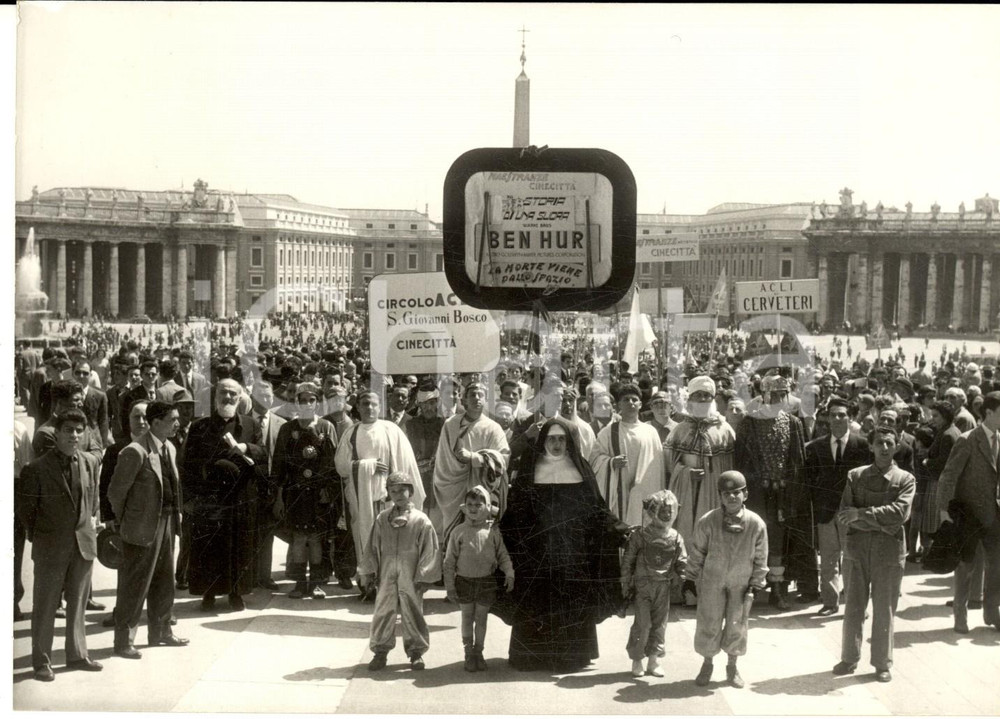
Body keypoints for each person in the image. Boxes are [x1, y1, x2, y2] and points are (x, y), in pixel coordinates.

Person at [496, 418, 630, 672]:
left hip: (573, 555)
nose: (557, 444)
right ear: (543, 440)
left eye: (561, 439)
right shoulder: (529, 469)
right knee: (536, 601)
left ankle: (573, 656)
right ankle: (532, 656)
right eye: (551, 439)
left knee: (572, 601)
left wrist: (620, 529)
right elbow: (516, 513)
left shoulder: (581, 469)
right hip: (538, 555)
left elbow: (597, 510)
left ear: (569, 442)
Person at [16, 409, 103, 681]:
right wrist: (42, 538)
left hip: (83, 545)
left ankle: (77, 654)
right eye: (68, 430)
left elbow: (93, 499)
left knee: (77, 604)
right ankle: (41, 661)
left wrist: (91, 526)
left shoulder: (90, 462)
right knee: (45, 606)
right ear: (57, 432)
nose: (74, 436)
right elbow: (26, 512)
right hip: (50, 547)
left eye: (79, 430)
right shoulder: (36, 469)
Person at [108, 401, 189, 659]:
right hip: (141, 527)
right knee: (134, 586)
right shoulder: (135, 451)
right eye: (172, 419)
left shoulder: (170, 448)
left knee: (164, 581)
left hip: (166, 524)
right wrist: (127, 522)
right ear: (155, 423)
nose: (178, 423)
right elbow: (116, 493)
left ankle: (161, 631)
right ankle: (123, 642)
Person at [834, 427, 915, 683]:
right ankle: (849, 658)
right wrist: (877, 521)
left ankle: (882, 663)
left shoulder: (905, 479)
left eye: (889, 443)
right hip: (857, 548)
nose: (884, 448)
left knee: (884, 609)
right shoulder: (855, 476)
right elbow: (846, 514)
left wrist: (863, 514)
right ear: (871, 446)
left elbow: (900, 515)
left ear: (897, 446)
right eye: (879, 443)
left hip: (889, 553)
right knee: (854, 607)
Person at [182, 378, 266, 612]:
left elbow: (263, 455)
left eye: (232, 394)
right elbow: (187, 465)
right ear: (215, 396)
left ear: (240, 399)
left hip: (240, 497)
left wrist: (247, 448)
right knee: (209, 547)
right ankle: (208, 593)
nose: (227, 397)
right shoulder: (200, 426)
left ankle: (236, 593)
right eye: (223, 393)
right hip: (210, 497)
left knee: (238, 547)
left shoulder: (250, 425)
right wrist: (190, 498)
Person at [683, 471, 768, 689]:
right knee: (709, 621)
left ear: (745, 494)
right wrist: (690, 578)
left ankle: (732, 665)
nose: (732, 497)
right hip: (713, 581)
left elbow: (761, 558)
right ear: (720, 496)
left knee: (737, 623)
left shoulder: (756, 524)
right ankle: (707, 663)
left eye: (736, 492)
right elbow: (698, 552)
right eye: (726, 493)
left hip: (741, 583)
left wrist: (756, 584)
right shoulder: (708, 521)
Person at [335, 390, 424, 600]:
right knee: (365, 540)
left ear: (380, 406)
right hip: (361, 500)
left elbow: (406, 462)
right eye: (365, 403)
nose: (370, 408)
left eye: (374, 404)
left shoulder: (391, 430)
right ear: (358, 407)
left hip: (388, 499)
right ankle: (368, 586)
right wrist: (368, 466)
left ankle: (392, 588)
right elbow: (341, 467)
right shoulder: (352, 432)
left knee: (392, 543)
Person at [735, 374, 811, 610]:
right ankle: (750, 588)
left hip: (782, 495)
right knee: (752, 539)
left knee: (777, 542)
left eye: (782, 394)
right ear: (763, 394)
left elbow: (797, 461)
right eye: (773, 394)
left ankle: (777, 590)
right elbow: (741, 461)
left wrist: (790, 488)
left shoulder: (792, 423)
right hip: (756, 493)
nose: (778, 398)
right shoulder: (749, 422)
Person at [664, 375, 736, 604]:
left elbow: (731, 467)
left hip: (713, 495)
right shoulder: (680, 429)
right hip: (686, 492)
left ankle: (709, 591)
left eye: (707, 395)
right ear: (690, 398)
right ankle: (685, 589)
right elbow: (668, 465)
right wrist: (685, 473)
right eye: (698, 395)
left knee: (712, 538)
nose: (703, 398)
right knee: (686, 536)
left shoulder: (725, 429)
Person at [359, 472, 440, 672]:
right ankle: (380, 651)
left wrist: (424, 575)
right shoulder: (382, 518)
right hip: (386, 574)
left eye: (402, 490)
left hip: (410, 574)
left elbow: (429, 550)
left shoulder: (421, 520)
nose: (398, 495)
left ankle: (416, 652)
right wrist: (369, 571)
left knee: (412, 611)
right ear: (388, 493)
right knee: (383, 611)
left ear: (410, 491)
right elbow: (372, 546)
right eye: (393, 491)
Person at [937, 391, 1000, 634]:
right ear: (989, 413)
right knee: (966, 566)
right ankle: (960, 616)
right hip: (968, 513)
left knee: (996, 565)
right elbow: (948, 476)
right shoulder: (967, 440)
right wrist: (944, 510)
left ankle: (992, 613)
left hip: (993, 515)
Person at [804, 396, 871, 616]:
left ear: (850, 418)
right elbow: (810, 479)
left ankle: (855, 604)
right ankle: (830, 602)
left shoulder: (861, 445)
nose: (837, 418)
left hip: (850, 512)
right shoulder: (816, 447)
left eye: (842, 414)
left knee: (853, 560)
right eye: (833, 415)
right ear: (828, 420)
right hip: (826, 512)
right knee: (829, 560)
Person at [273, 382, 338, 599]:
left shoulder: (326, 427)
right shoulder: (287, 429)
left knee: (317, 538)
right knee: (300, 537)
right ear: (297, 403)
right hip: (295, 492)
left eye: (312, 400)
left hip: (319, 493)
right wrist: (280, 497)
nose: (307, 404)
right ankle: (301, 584)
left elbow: (332, 462)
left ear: (317, 403)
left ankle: (317, 583)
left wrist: (328, 490)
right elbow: (279, 465)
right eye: (303, 400)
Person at [443, 485, 514, 672]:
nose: (473, 508)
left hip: (486, 583)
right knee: (467, 618)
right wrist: (450, 587)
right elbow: (449, 562)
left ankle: (479, 652)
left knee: (481, 619)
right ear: (464, 507)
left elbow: (503, 555)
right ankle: (468, 653)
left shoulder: (493, 532)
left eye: (478, 504)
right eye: (470, 504)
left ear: (488, 506)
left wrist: (509, 573)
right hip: (464, 582)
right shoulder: (458, 531)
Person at [621, 489, 687, 679]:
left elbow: (682, 561)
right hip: (643, 585)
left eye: (669, 511)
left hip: (663, 586)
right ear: (652, 511)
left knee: (660, 624)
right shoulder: (640, 535)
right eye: (662, 511)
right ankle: (637, 659)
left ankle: (654, 660)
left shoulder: (675, 537)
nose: (666, 515)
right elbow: (628, 561)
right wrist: (625, 582)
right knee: (643, 624)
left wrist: (686, 579)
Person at [433, 381, 510, 538]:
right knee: (454, 540)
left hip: (482, 492)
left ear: (486, 399)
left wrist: (474, 458)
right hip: (453, 492)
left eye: (480, 395)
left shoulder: (493, 428)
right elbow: (442, 461)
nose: (476, 398)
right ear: (464, 400)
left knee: (480, 539)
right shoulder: (451, 425)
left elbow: (503, 459)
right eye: (472, 395)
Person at [591, 384, 666, 525]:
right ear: (619, 404)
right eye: (626, 400)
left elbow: (658, 467)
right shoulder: (608, 432)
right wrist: (611, 462)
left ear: (640, 404)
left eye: (634, 399)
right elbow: (594, 460)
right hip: (618, 493)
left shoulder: (650, 432)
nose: (630, 403)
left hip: (644, 492)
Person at [405, 384, 445, 531]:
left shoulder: (446, 425)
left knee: (436, 528)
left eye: (432, 403)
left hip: (438, 482)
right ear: (419, 405)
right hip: (416, 479)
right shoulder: (410, 425)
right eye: (424, 404)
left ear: (437, 403)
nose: (428, 408)